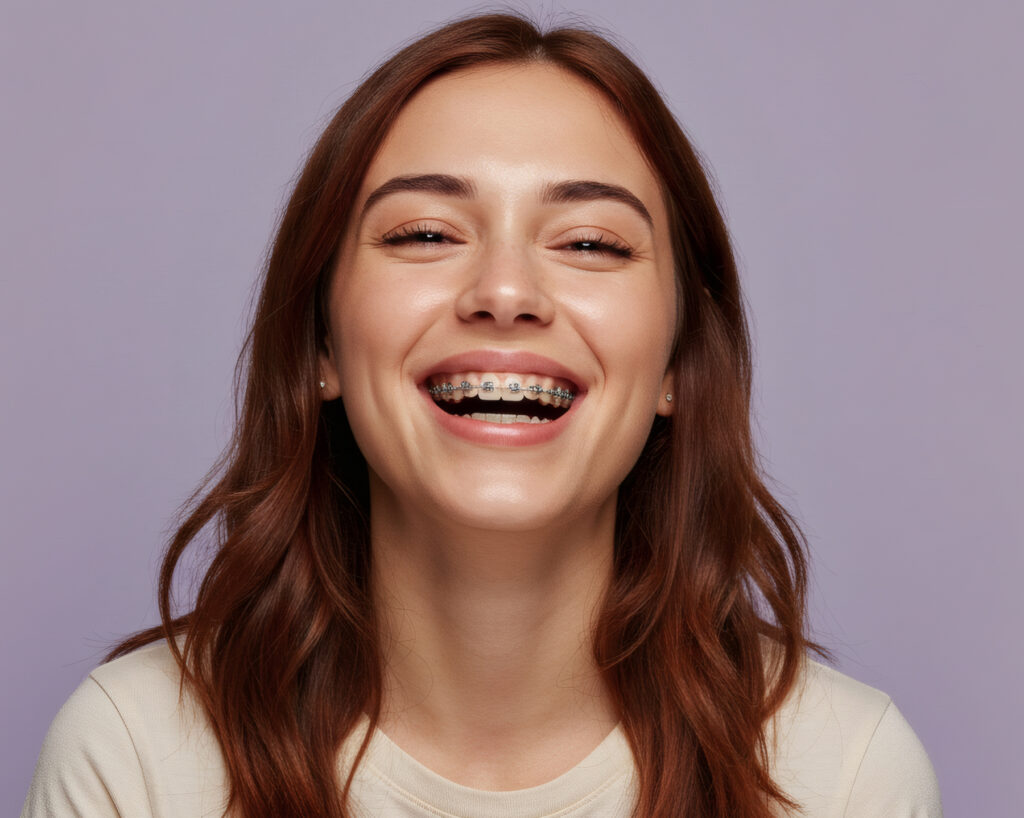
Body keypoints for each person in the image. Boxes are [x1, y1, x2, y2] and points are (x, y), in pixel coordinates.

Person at [22, 12, 942, 818]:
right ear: (321, 346)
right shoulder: (136, 753)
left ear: (676, 366)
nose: (505, 291)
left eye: (591, 242)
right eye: (424, 234)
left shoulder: (844, 777)